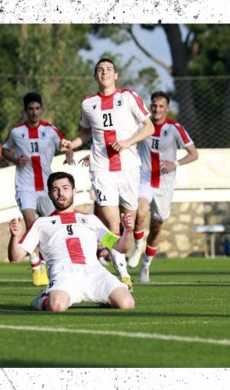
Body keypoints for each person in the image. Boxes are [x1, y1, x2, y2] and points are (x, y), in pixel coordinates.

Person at [60, 58, 154, 290]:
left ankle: (136, 244)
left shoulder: (129, 97)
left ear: (116, 75)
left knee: (130, 221)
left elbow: (149, 127)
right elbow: (86, 132)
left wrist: (128, 141)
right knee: (113, 225)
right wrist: (71, 144)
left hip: (129, 168)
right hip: (102, 170)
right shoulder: (88, 103)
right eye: (100, 70)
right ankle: (123, 275)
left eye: (109, 70)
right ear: (95, 76)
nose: (104, 73)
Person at [8, 171, 136, 311]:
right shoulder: (41, 223)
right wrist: (14, 236)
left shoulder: (91, 220)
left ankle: (106, 298)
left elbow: (121, 247)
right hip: (64, 275)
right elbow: (15, 257)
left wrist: (128, 232)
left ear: (74, 191)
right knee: (56, 306)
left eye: (65, 188)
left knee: (127, 303)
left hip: (95, 272)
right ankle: (43, 298)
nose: (61, 193)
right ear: (50, 194)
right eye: (55, 189)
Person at [2, 92, 74, 286]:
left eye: (37, 108)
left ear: (41, 109)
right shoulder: (17, 131)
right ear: (25, 111)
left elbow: (67, 144)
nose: (34, 112)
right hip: (25, 186)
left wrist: (69, 155)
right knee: (31, 222)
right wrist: (16, 159)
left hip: (46, 188)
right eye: (30, 109)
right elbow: (4, 149)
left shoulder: (50, 130)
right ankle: (35, 265)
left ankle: (48, 263)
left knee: (49, 227)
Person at [126, 91, 198, 282]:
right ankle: (138, 246)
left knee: (157, 227)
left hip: (165, 184)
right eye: (154, 106)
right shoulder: (142, 126)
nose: (157, 110)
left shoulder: (175, 128)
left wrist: (175, 163)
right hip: (144, 178)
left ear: (167, 108)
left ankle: (146, 265)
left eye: (160, 106)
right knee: (140, 212)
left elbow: (193, 154)